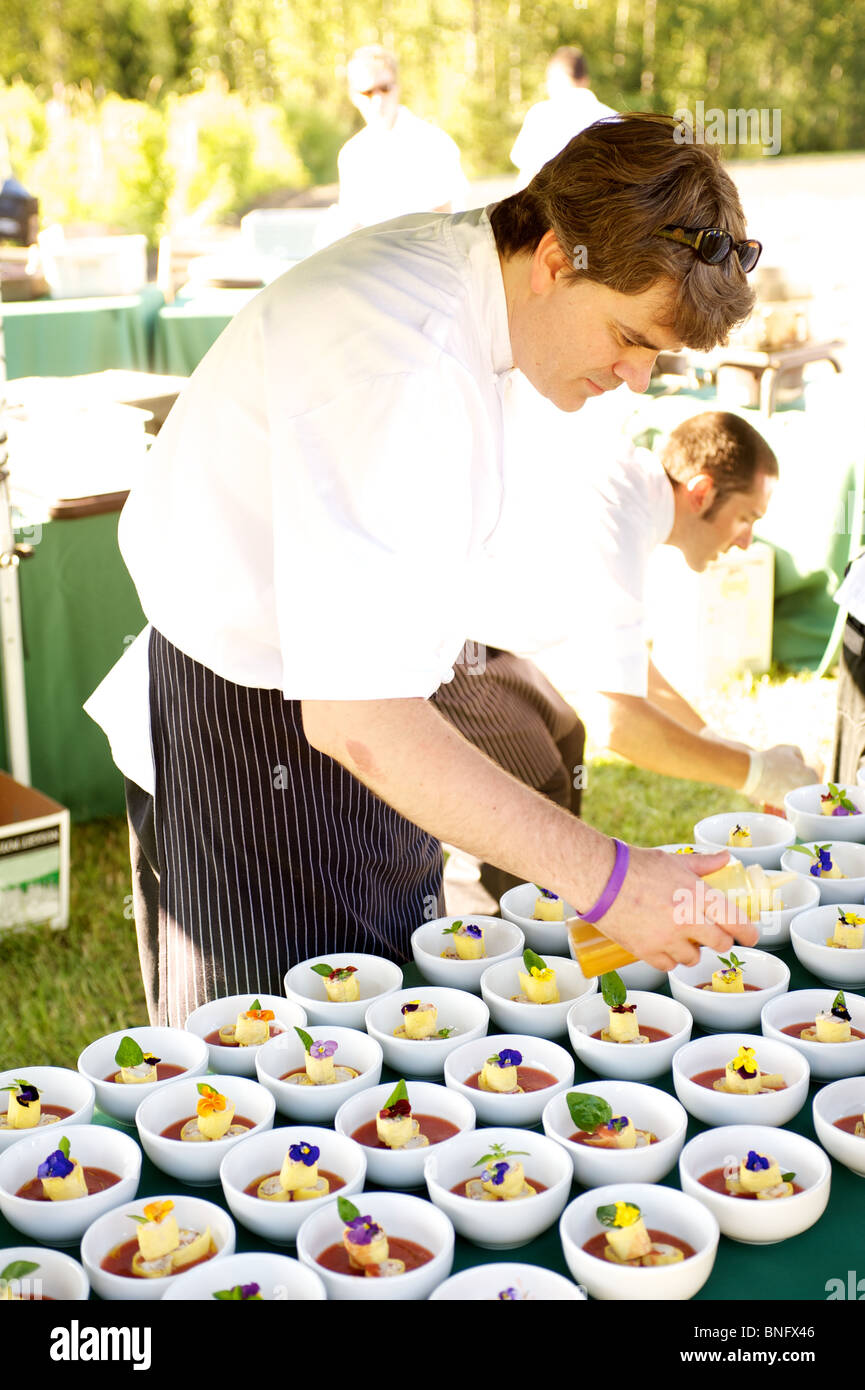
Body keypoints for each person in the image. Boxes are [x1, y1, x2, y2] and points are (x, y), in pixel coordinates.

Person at [86, 113, 763, 1027]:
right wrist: (609, 880)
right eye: (630, 337)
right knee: (280, 1050)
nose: (638, 379)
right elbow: (358, 719)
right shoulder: (400, 359)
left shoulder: (485, 279)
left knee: (388, 1012)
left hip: (370, 699)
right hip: (254, 723)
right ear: (559, 259)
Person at [433, 408, 820, 899]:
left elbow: (633, 672)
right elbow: (621, 724)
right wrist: (759, 775)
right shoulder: (617, 515)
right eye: (746, 517)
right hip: (437, 639)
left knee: (566, 735)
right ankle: (493, 946)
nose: (745, 541)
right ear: (701, 492)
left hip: (486, 638)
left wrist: (734, 751)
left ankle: (542, 912)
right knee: (532, 780)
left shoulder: (636, 496)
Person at [321, 44, 470, 241]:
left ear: (397, 87)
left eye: (384, 88)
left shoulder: (433, 143)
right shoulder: (351, 155)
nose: (377, 100)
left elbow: (447, 220)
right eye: (367, 92)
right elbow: (352, 225)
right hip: (372, 264)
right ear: (354, 96)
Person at [510, 46, 617, 189]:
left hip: (552, 208)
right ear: (585, 80)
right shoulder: (614, 119)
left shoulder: (541, 114)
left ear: (552, 80)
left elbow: (527, 177)